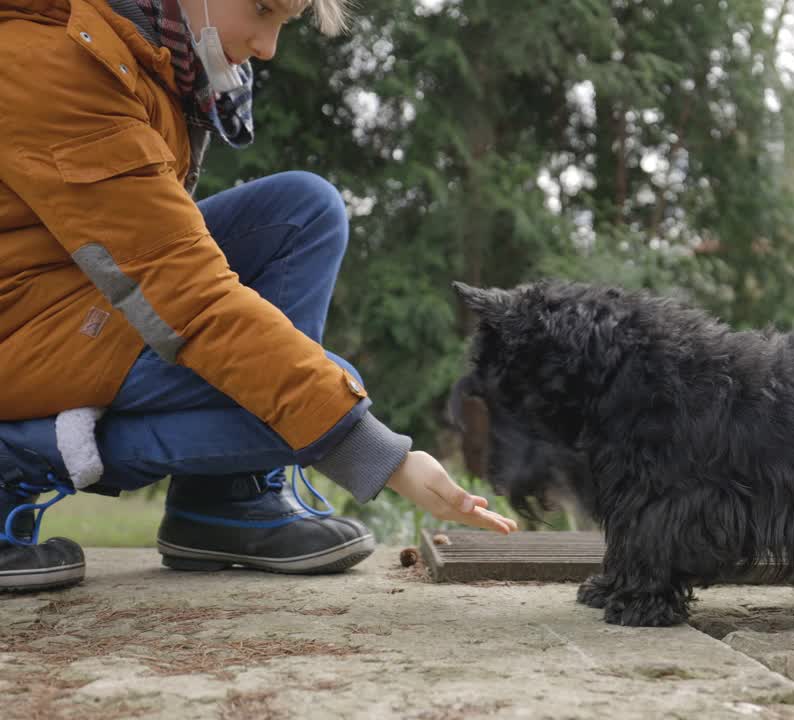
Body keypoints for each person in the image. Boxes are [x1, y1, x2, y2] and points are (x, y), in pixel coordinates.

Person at [0, 0, 518, 592]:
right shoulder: (55, 59)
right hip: (17, 335)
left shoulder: (144, 48)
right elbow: (187, 294)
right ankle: (11, 456)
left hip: (64, 302)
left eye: (283, 23)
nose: (269, 47)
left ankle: (223, 505)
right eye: (263, 10)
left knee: (303, 210)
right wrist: (382, 456)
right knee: (318, 401)